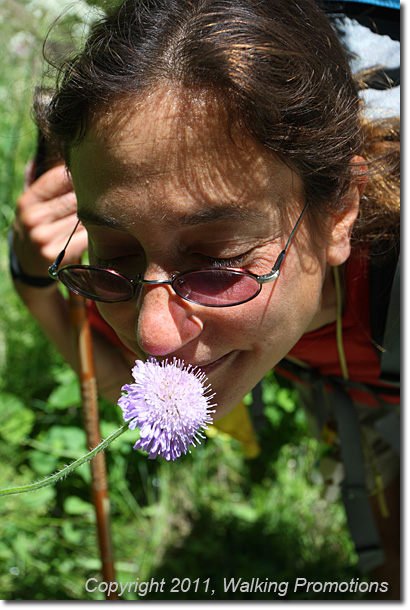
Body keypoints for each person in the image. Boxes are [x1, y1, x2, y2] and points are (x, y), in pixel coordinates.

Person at [10, 0, 400, 599]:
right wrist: (34, 275)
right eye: (115, 255)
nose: (155, 338)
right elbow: (127, 389)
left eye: (218, 263)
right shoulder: (113, 272)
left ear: (340, 212)